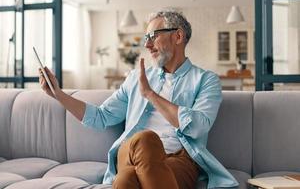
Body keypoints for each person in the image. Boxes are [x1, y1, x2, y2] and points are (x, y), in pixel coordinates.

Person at [39, 10, 239, 189]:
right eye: (146, 37)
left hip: (180, 159)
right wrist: (59, 94)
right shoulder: (136, 78)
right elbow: (101, 117)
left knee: (126, 181)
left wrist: (151, 95)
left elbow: (198, 127)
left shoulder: (206, 80)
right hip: (132, 152)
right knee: (145, 139)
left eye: (153, 36)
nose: (147, 44)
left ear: (178, 36)